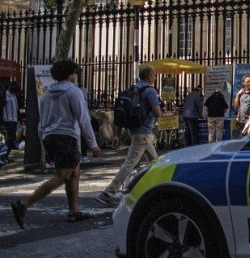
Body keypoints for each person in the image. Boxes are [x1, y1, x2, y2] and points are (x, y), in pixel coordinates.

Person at [10, 60, 100, 228]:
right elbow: (83, 119)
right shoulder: (74, 92)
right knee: (62, 176)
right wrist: (93, 143)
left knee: (74, 173)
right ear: (69, 75)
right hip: (67, 137)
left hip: (50, 136)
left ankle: (74, 211)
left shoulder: (46, 94)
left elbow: (41, 124)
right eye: (74, 72)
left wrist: (45, 148)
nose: (75, 75)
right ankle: (24, 204)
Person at [96, 66, 161, 207]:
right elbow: (157, 113)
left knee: (154, 163)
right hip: (143, 132)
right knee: (130, 163)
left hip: (135, 131)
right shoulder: (150, 91)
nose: (155, 77)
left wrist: (118, 135)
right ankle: (108, 192)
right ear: (149, 76)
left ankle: (144, 189)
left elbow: (121, 113)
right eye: (154, 75)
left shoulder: (131, 90)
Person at [1, 82, 17, 166]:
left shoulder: (14, 96)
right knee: (9, 139)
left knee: (12, 139)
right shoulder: (5, 95)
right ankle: (4, 156)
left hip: (14, 120)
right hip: (8, 121)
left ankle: (6, 156)